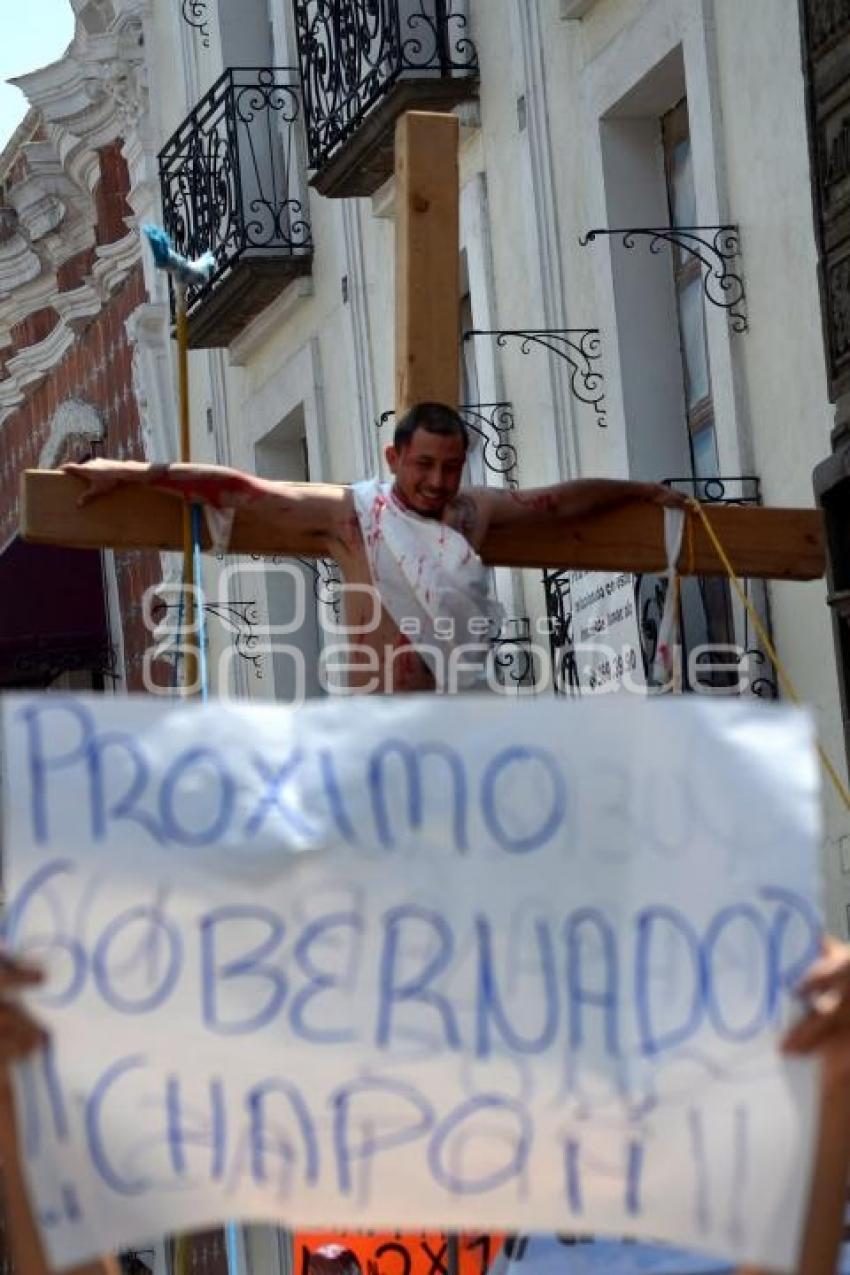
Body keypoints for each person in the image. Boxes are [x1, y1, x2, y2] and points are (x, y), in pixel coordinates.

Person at [62, 401, 687, 694]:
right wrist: (134, 474)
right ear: (394, 458)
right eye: (423, 465)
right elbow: (245, 489)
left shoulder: (475, 512)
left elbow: (561, 502)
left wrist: (637, 492)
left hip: (460, 714)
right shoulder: (354, 516)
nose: (438, 481)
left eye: (450, 466)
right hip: (380, 731)